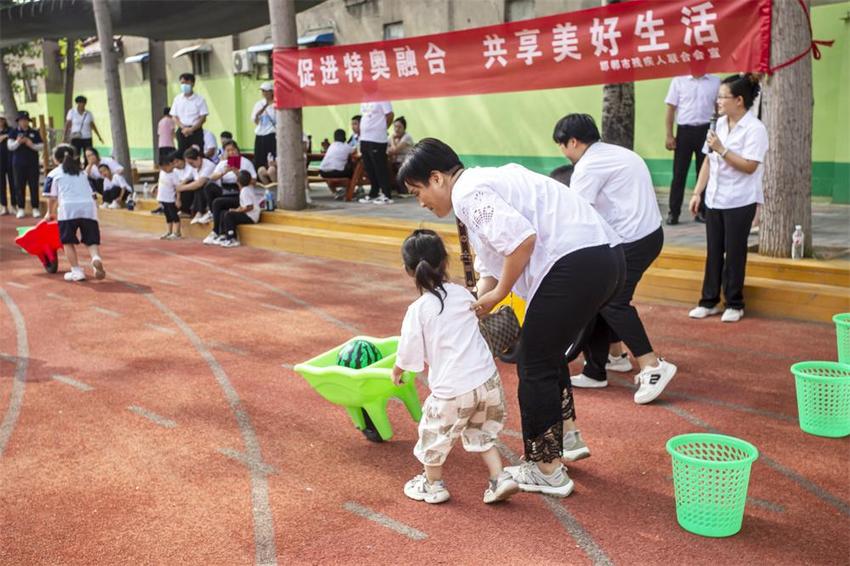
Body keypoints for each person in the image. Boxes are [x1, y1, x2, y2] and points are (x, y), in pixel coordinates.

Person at [398, 138, 623, 497]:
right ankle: (567, 436)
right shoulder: (479, 187)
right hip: (605, 257)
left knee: (534, 362)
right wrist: (474, 304)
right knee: (546, 355)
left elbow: (520, 241)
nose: (420, 202)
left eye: (417, 191)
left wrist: (499, 293)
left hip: (576, 262)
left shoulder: (469, 193)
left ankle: (546, 468)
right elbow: (490, 265)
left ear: (437, 178)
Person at [554, 114, 676, 405]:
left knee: (613, 300)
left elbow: (575, 216)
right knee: (601, 295)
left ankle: (652, 366)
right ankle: (603, 364)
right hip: (648, 234)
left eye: (562, 145)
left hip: (632, 240)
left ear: (572, 142)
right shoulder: (619, 152)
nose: (563, 152)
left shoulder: (587, 167)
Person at [393, 229, 520, 505]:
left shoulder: (418, 310)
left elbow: (408, 350)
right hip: (487, 381)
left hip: (452, 390)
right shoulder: (462, 294)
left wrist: (398, 371)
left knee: (434, 437)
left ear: (408, 271)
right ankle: (500, 478)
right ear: (445, 262)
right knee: (482, 432)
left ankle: (432, 484)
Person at [688, 74, 768, 323]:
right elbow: (707, 162)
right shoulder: (718, 124)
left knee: (734, 252)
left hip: (740, 200)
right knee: (714, 251)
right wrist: (697, 192)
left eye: (723, 96)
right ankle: (708, 301)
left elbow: (749, 166)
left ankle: (734, 302)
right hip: (715, 198)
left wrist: (722, 149)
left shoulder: (755, 129)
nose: (718, 101)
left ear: (739, 100)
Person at [664, 74, 721, 225]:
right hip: (684, 131)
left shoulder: (715, 81)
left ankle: (701, 211)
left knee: (704, 170)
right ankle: (673, 212)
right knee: (679, 174)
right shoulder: (678, 80)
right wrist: (669, 135)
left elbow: (719, 107)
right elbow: (670, 108)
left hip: (706, 129)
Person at [44, 145, 106, 282]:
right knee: (91, 239)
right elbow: (92, 193)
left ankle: (76, 271)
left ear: (56, 159)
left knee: (67, 241)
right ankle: (96, 258)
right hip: (88, 207)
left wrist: (49, 213)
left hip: (68, 209)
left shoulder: (53, 174)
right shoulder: (82, 173)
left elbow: (52, 197)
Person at [201, 140, 257, 242]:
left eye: (233, 149)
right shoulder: (223, 163)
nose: (231, 152)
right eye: (228, 150)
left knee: (218, 203)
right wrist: (223, 172)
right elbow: (212, 177)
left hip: (240, 195)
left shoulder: (245, 162)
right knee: (209, 187)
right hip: (226, 191)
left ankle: (216, 231)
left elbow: (253, 181)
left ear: (237, 150)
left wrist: (237, 173)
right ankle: (212, 216)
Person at [210, 170, 263, 248]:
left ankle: (232, 238)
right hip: (248, 215)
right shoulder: (247, 189)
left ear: (237, 181)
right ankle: (224, 235)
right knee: (224, 212)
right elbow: (243, 205)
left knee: (229, 215)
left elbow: (249, 207)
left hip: (251, 217)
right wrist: (236, 209)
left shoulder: (245, 191)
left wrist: (236, 211)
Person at [7, 111, 44, 219]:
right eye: (22, 120)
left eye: (26, 120)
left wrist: (30, 144)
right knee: (19, 185)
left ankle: (35, 208)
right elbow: (10, 147)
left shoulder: (34, 132)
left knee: (33, 185)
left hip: (32, 163)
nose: (24, 122)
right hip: (18, 163)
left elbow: (41, 146)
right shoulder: (13, 133)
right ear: (18, 121)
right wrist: (18, 142)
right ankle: (21, 208)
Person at [357, 100, 394, 205]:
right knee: (369, 167)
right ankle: (374, 192)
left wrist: (382, 128)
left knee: (379, 167)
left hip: (377, 139)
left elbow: (390, 115)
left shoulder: (382, 98)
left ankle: (386, 194)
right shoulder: (363, 99)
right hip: (364, 138)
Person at [170, 73, 208, 154]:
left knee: (197, 154)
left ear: (193, 83)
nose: (184, 85)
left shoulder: (200, 99)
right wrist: (183, 127)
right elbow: (174, 116)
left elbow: (203, 118)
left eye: (187, 83)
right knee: (182, 154)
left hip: (195, 131)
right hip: (182, 131)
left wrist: (191, 129)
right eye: (182, 83)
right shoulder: (177, 99)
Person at [181, 146, 217, 224]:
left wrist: (181, 188)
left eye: (191, 163)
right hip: (201, 191)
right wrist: (179, 187)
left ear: (198, 158)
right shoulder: (193, 166)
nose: (190, 165)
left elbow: (200, 183)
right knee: (188, 184)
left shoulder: (208, 165)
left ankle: (200, 212)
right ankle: (186, 211)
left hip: (213, 190)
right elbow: (186, 179)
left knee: (199, 186)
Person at [64, 95, 103, 164]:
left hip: (87, 137)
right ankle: (76, 169)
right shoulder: (72, 112)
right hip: (76, 137)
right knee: (76, 154)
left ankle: (87, 170)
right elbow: (67, 124)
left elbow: (92, 125)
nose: (82, 104)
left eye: (84, 103)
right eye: (80, 102)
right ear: (77, 103)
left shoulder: (88, 113)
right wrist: (64, 136)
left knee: (88, 155)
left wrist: (99, 136)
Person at [153, 152, 182, 240]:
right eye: (163, 168)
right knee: (167, 216)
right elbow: (160, 182)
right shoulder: (162, 172)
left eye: (166, 168)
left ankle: (177, 232)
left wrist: (178, 199)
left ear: (170, 164)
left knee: (174, 215)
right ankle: (169, 231)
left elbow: (178, 188)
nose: (165, 170)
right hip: (162, 197)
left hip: (170, 199)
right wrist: (156, 187)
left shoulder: (174, 175)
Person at [252, 82, 277, 170]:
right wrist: (262, 110)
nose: (264, 93)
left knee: (271, 157)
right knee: (259, 159)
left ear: (271, 91)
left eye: (266, 91)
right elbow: (255, 120)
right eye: (262, 91)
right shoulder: (259, 104)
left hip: (271, 134)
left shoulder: (276, 104)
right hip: (260, 134)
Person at [388, 116, 414, 194]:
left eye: (399, 127)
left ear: (404, 128)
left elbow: (395, 150)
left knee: (397, 167)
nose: (397, 129)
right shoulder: (393, 137)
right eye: (395, 127)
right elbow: (387, 150)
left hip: (406, 162)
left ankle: (403, 190)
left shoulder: (407, 137)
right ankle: (392, 188)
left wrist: (392, 139)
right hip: (395, 161)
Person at [0, 116, 12, 215]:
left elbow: (13, 136)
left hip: (10, 159)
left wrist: (6, 136)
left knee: (13, 183)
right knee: (1, 184)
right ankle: (4, 206)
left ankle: (14, 205)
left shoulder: (10, 130)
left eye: (1, 119)